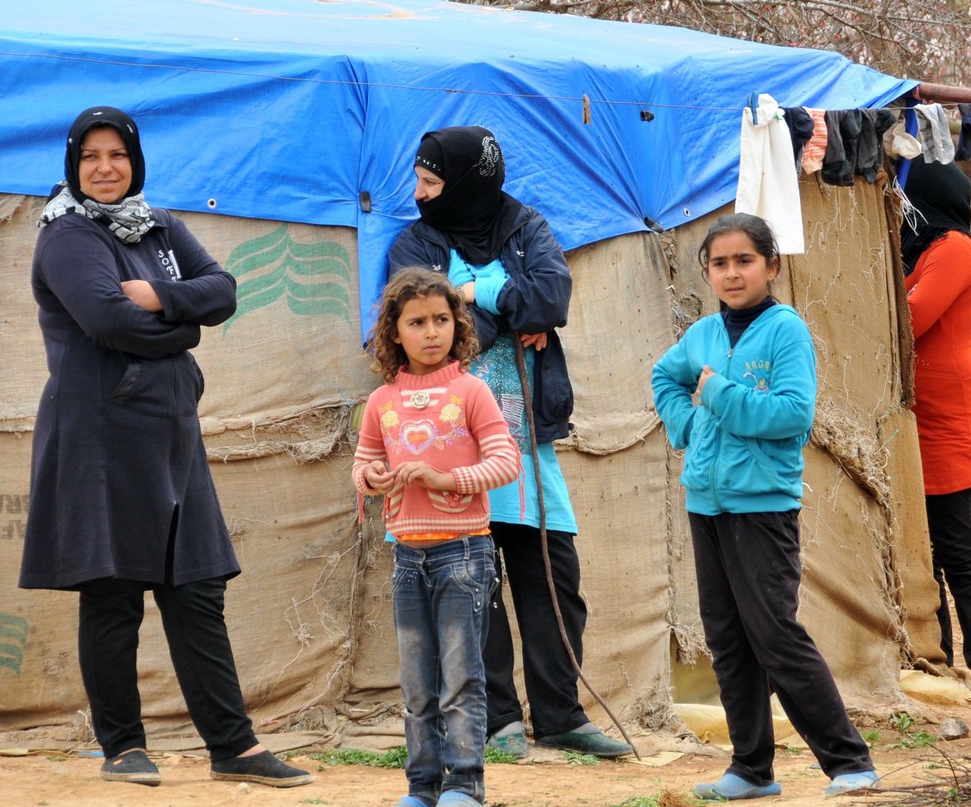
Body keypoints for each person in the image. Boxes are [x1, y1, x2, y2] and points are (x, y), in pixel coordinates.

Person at [19, 105, 314, 790]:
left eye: (116, 155)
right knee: (113, 590)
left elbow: (224, 289)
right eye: (90, 156)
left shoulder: (159, 227)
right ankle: (122, 747)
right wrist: (183, 325)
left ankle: (232, 746)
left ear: (135, 161)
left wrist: (160, 295)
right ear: (73, 164)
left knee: (196, 587)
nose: (104, 168)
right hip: (100, 436)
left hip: (171, 434)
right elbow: (106, 320)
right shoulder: (66, 237)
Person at [386, 126, 630, 759]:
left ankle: (560, 714)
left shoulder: (525, 226)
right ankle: (497, 719)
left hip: (525, 438)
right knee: (472, 581)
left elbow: (552, 297)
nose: (419, 194)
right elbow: (424, 326)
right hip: (446, 438)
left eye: (432, 182)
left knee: (553, 573)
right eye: (421, 180)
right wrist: (503, 314)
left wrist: (473, 292)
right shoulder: (416, 240)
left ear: (470, 182)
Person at [650, 213, 881, 801]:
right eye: (719, 263)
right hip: (706, 504)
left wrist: (720, 396)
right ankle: (752, 769)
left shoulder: (785, 331)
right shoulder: (702, 334)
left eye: (744, 260)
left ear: (771, 266)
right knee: (726, 637)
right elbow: (665, 376)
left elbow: (792, 417)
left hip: (762, 506)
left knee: (774, 634)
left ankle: (850, 762)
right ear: (706, 270)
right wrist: (687, 424)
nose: (731, 273)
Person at [354, 268, 523, 807]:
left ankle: (464, 784)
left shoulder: (471, 392)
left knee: (460, 677)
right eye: (417, 322)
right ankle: (421, 786)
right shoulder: (381, 402)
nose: (431, 332)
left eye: (442, 320)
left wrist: (445, 479)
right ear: (394, 333)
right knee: (417, 682)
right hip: (407, 558)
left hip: (464, 554)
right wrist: (373, 479)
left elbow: (506, 461)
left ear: (457, 325)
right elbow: (364, 465)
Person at [899, 161, 971, 690]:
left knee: (959, 549)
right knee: (923, 554)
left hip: (946, 420)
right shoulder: (917, 252)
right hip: (914, 419)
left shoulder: (953, 248)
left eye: (904, 198)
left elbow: (913, 317)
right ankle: (938, 659)